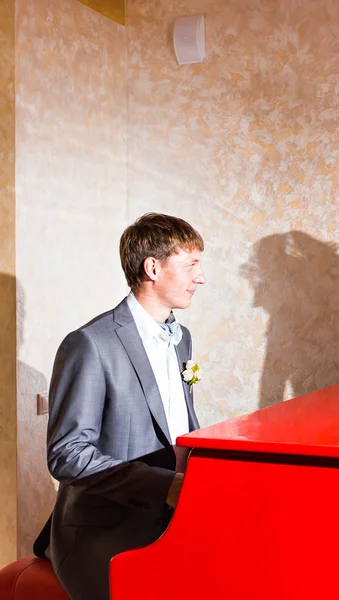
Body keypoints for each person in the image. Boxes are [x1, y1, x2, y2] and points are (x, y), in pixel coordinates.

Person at [33, 213, 206, 600]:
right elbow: (67, 455)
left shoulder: (182, 339)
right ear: (153, 268)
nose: (201, 277)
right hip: (102, 531)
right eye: (191, 264)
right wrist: (166, 487)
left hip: (171, 519)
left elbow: (178, 428)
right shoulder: (90, 344)